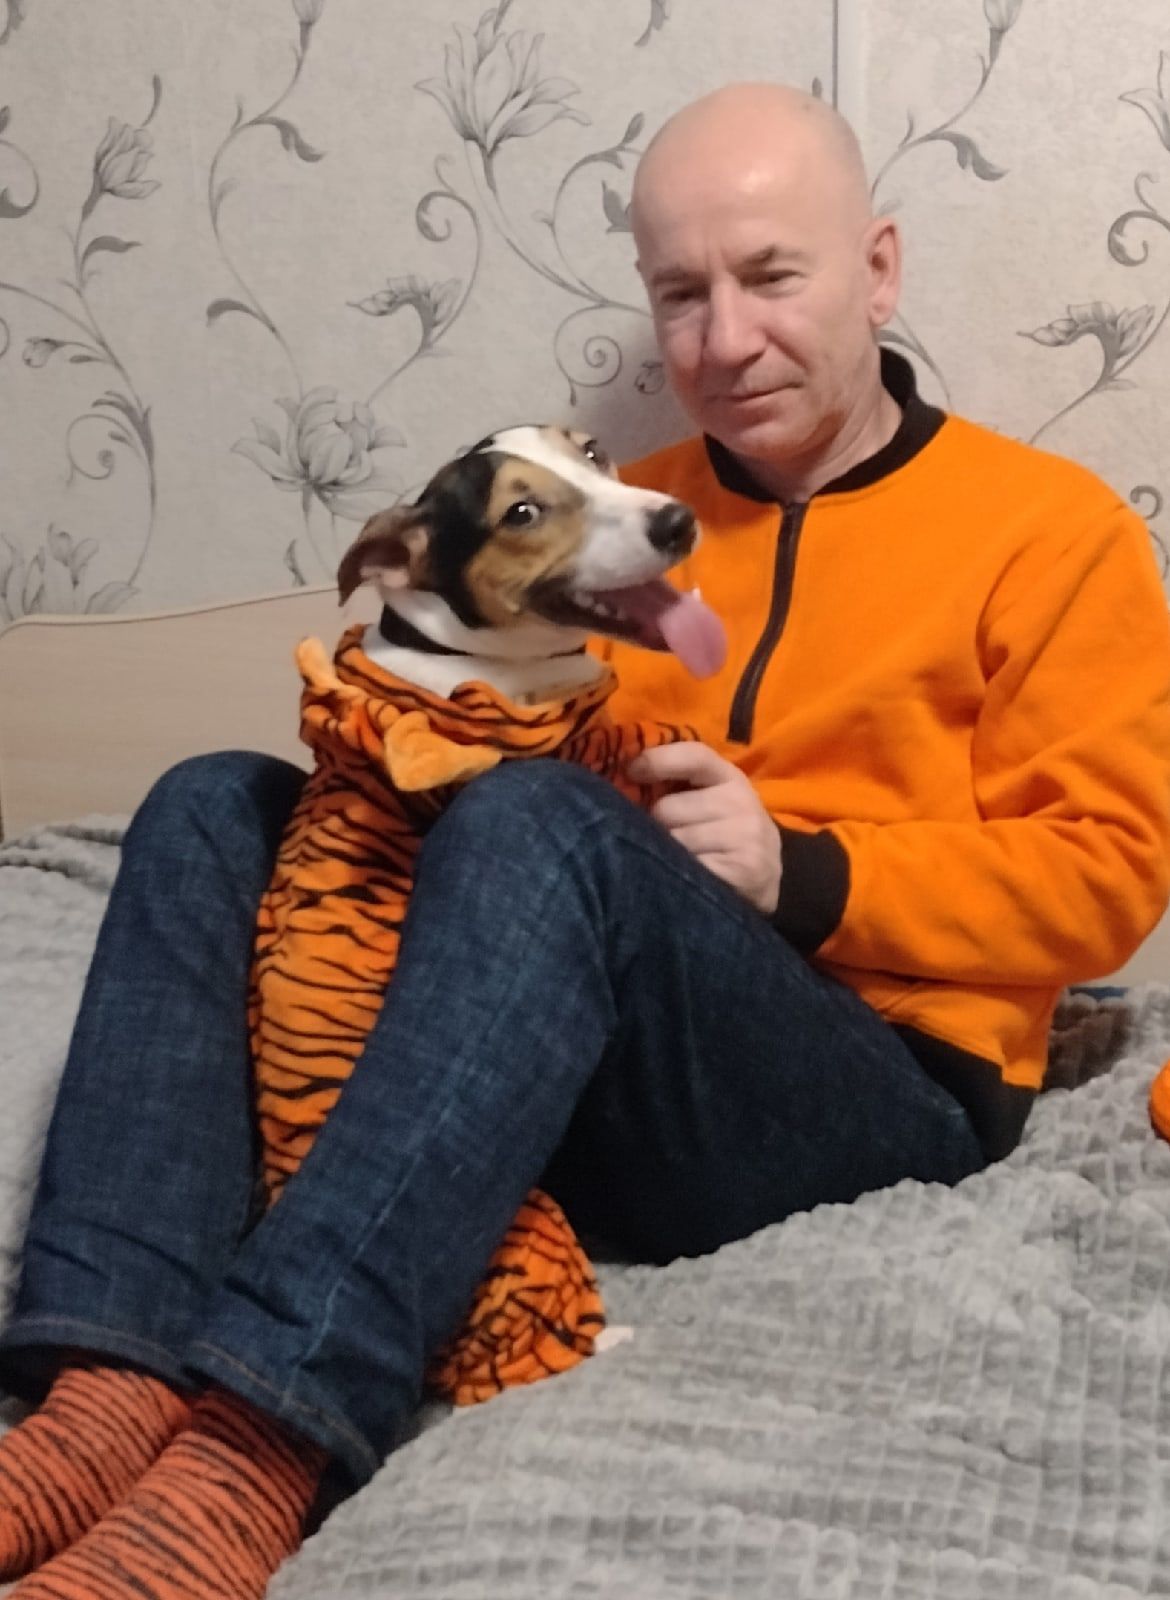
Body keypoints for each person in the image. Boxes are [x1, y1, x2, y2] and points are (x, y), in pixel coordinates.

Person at [1, 81, 1168, 1600]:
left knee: (537, 818)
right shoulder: (614, 514)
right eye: (681, 293)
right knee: (213, 797)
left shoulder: (1051, 532)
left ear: (877, 269)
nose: (724, 339)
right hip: (572, 1059)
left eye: (770, 275)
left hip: (880, 1084)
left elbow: (1108, 877)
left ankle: (260, 1442)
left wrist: (802, 874)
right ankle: (105, 1382)